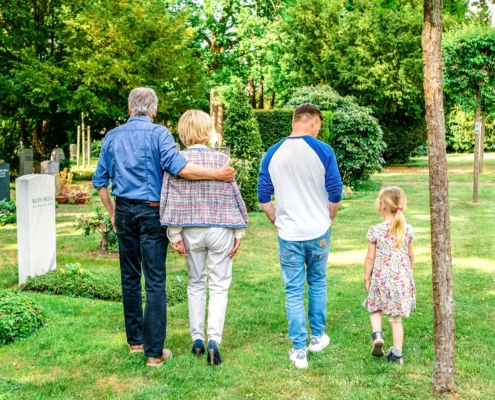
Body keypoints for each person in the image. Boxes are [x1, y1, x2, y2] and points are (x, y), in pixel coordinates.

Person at [92, 88, 235, 367]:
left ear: (130, 108)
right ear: (154, 110)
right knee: (155, 280)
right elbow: (180, 168)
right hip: (151, 212)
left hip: (122, 209)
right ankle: (154, 353)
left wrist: (112, 212)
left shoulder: (112, 136)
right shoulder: (159, 134)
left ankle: (136, 341)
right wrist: (217, 174)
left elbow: (100, 181)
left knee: (130, 278)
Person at [257, 103, 343, 369]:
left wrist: (275, 219)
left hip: (290, 233)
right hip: (317, 230)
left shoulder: (273, 152)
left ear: (295, 121)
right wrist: (329, 217)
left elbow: (263, 196)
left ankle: (298, 349)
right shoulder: (323, 151)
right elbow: (335, 192)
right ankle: (317, 337)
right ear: (314, 122)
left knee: (293, 290)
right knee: (317, 282)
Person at [160, 110, 248, 365]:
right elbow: (233, 198)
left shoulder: (177, 161)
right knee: (219, 285)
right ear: (208, 131)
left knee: (196, 282)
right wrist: (238, 232)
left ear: (183, 131)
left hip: (191, 229)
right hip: (220, 228)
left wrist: (174, 235)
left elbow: (171, 199)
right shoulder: (221, 160)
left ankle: (197, 339)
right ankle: (214, 340)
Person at [363, 186, 416, 365]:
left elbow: (370, 257)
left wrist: (366, 278)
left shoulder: (375, 230)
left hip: (381, 279)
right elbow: (410, 256)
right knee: (395, 319)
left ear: (383, 206)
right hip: (400, 280)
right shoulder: (407, 229)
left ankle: (377, 334)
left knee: (375, 308)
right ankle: (397, 355)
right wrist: (408, 277)